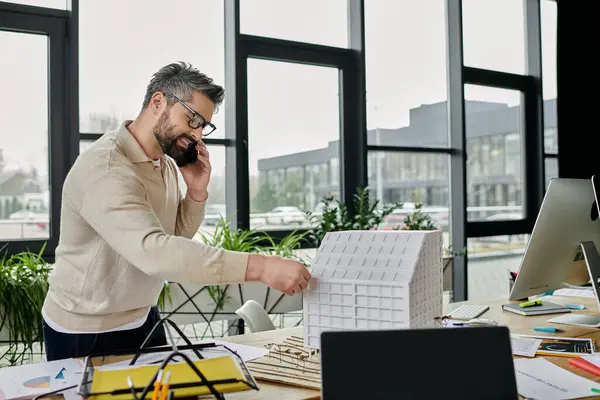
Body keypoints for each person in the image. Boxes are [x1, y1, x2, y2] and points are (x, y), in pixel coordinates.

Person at [41, 61, 311, 361]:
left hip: (143, 316)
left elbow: (173, 235)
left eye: (203, 126)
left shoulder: (166, 164)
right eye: (192, 119)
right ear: (158, 102)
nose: (197, 135)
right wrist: (261, 267)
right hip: (86, 330)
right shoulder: (106, 169)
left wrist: (196, 193)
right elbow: (154, 252)